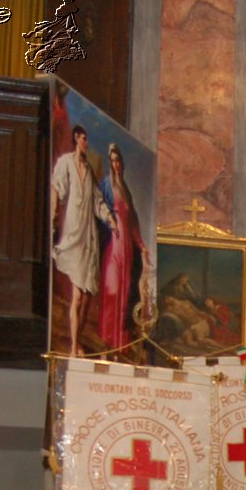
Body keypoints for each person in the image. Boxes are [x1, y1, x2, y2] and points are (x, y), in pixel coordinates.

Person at [51, 124, 115, 355]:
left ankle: (76, 340)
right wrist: (53, 213)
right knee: (77, 295)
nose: (86, 143)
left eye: (87, 139)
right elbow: (56, 187)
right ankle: (72, 346)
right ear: (76, 139)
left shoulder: (88, 169)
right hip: (73, 232)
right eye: (84, 139)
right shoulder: (66, 163)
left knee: (87, 293)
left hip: (89, 236)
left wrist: (111, 219)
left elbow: (97, 201)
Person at [97, 142, 149, 358]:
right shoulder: (106, 185)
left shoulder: (125, 188)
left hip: (127, 246)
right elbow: (98, 207)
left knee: (126, 293)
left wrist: (142, 246)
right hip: (113, 244)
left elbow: (133, 220)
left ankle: (120, 344)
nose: (116, 164)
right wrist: (109, 221)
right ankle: (105, 341)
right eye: (113, 161)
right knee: (112, 290)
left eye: (119, 160)